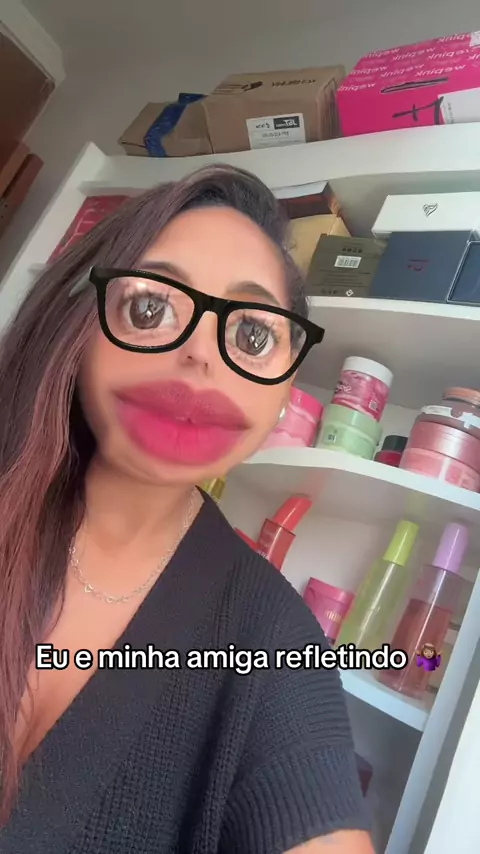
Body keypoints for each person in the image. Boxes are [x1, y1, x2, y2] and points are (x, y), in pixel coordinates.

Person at [0, 164, 374, 854]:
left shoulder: (276, 643)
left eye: (253, 335)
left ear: (285, 387)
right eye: (150, 307)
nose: (202, 354)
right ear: (80, 328)